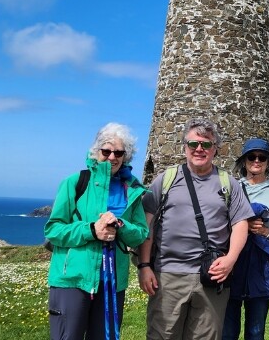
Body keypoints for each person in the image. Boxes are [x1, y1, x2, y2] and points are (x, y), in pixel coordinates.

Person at [138, 117, 254, 340]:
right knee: (162, 335)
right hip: (167, 275)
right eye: (193, 144)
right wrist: (144, 265)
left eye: (206, 144)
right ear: (185, 148)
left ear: (215, 149)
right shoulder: (166, 179)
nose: (199, 149)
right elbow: (148, 224)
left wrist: (230, 259)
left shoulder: (228, 183)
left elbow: (240, 223)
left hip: (211, 275)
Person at [45, 122, 149, 340]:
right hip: (73, 279)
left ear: (126, 156)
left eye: (119, 152)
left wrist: (121, 225)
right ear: (96, 152)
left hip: (113, 281)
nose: (112, 157)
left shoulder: (132, 190)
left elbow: (140, 233)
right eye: (106, 151)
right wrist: (92, 230)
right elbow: (53, 230)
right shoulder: (75, 182)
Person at [222, 138, 269, 340]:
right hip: (233, 265)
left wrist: (267, 233)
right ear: (244, 161)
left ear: (268, 163)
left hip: (261, 269)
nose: (257, 161)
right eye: (252, 157)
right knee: (227, 330)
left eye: (262, 157)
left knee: (256, 331)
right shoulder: (231, 189)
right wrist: (241, 227)